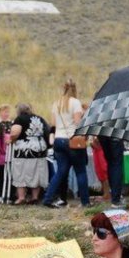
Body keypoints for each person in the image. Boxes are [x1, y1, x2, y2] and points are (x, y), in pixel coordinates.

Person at [43, 79, 90, 208]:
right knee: (80, 171)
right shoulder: (75, 102)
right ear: (74, 89)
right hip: (73, 140)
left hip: (59, 140)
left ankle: (48, 198)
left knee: (61, 172)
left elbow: (53, 124)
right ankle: (85, 202)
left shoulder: (56, 103)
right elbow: (77, 122)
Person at [10, 103, 50, 204]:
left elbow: (15, 132)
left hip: (25, 149)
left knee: (20, 172)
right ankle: (35, 197)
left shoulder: (20, 119)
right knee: (37, 173)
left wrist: (11, 140)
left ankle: (21, 197)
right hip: (40, 149)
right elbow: (47, 131)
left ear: (19, 111)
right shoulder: (39, 118)